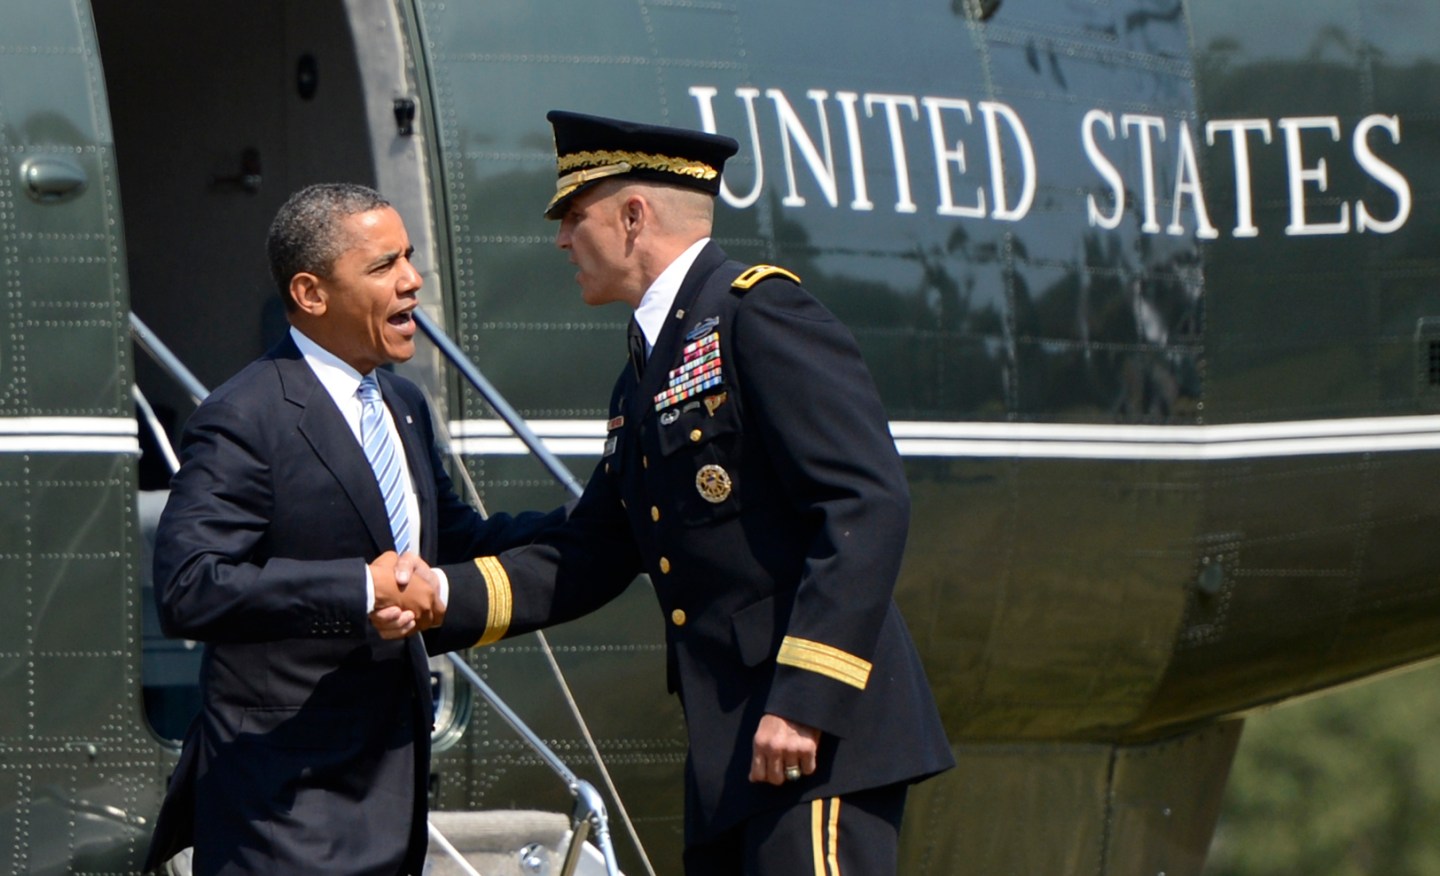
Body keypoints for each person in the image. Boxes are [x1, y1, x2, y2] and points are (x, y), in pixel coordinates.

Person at [440, 111, 955, 875]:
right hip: (735, 746)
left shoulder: (759, 315)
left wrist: (806, 699)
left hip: (809, 741)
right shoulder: (646, 368)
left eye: (573, 217)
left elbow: (865, 502)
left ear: (633, 217)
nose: (560, 241)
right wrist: (436, 603)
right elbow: (596, 549)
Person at [143, 183, 561, 875]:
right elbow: (191, 586)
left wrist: (595, 524)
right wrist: (359, 590)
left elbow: (450, 541)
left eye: (410, 256)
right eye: (383, 265)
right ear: (311, 294)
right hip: (283, 808)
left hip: (388, 798)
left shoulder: (402, 404)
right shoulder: (244, 416)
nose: (412, 279)